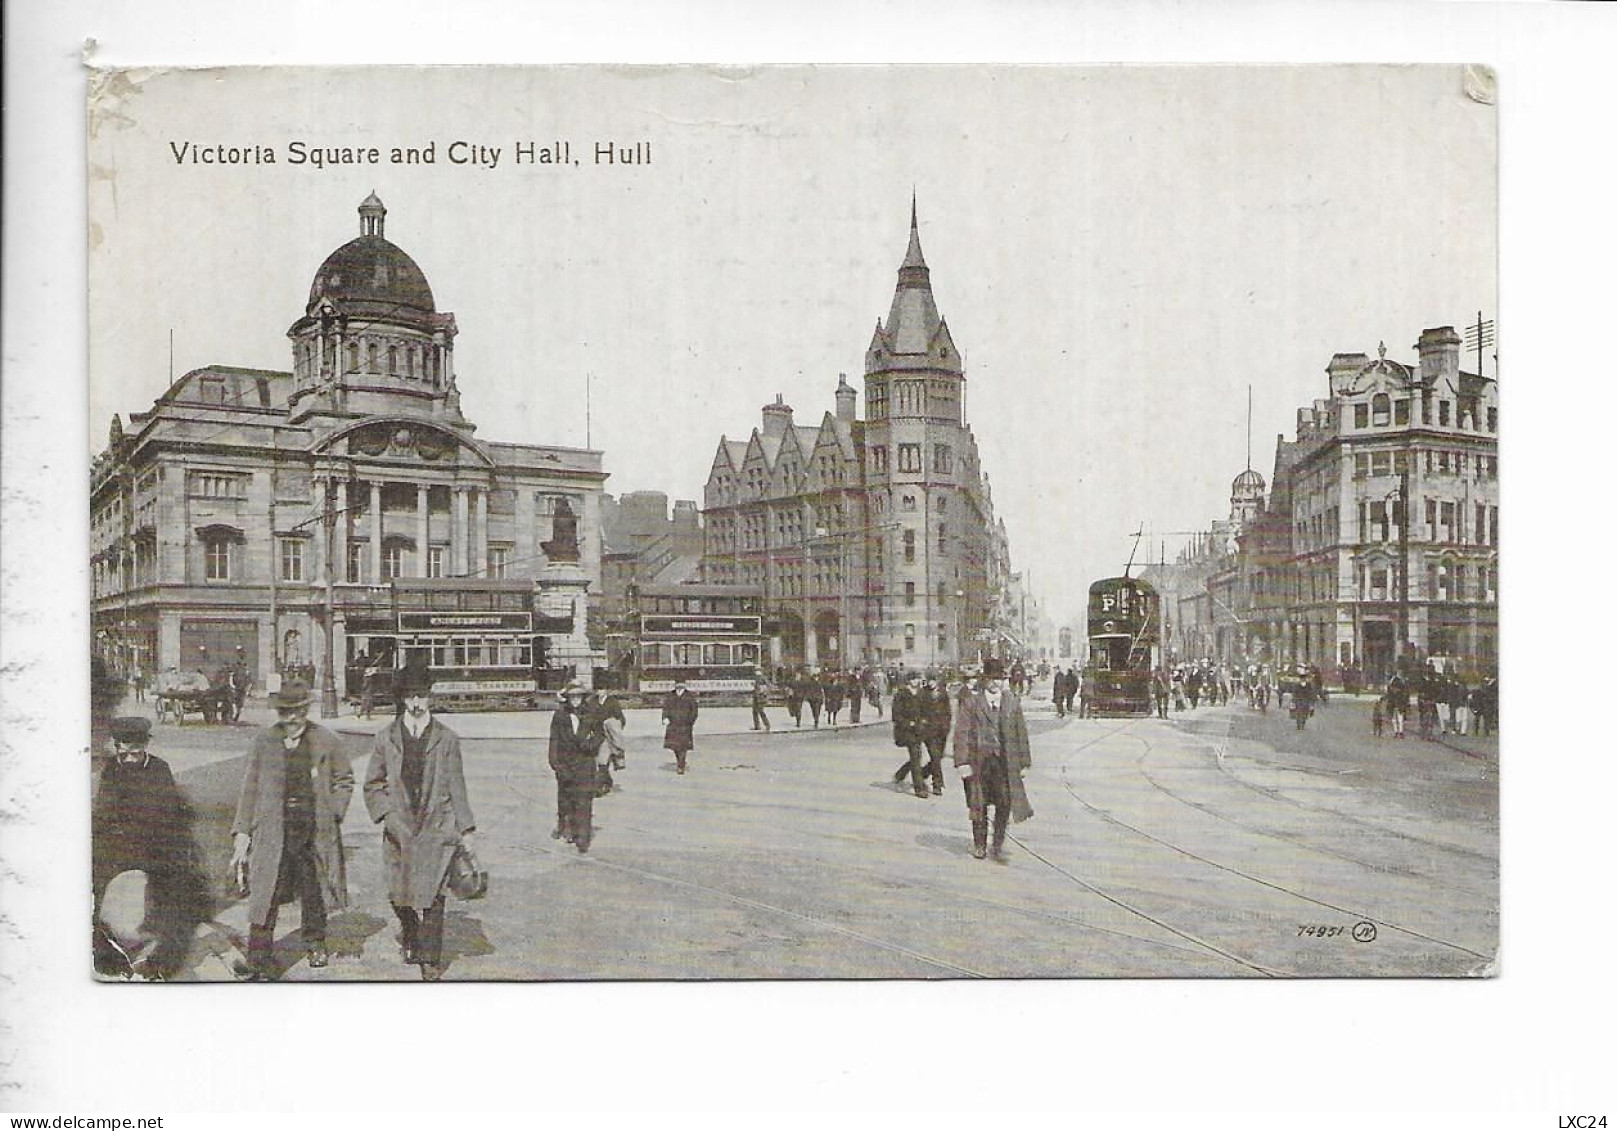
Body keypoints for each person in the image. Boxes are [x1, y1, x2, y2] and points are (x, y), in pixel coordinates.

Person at [229, 679, 354, 981]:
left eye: (297, 712)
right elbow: (250, 789)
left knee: (313, 891)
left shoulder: (325, 740)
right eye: (285, 713)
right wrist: (242, 834)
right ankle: (258, 954)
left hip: (312, 829)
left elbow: (344, 779)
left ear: (306, 710)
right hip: (273, 829)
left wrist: (333, 812)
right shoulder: (264, 742)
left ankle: (315, 942)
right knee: (265, 891)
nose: (291, 719)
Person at [364, 667, 477, 981]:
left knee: (434, 894)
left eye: (422, 695)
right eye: (410, 696)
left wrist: (466, 829)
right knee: (398, 893)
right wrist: (386, 815)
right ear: (402, 698)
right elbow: (372, 784)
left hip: (436, 826)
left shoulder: (447, 739)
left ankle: (430, 957)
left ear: (430, 696)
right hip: (399, 827)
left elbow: (457, 784)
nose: (416, 702)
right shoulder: (385, 738)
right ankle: (410, 930)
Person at [93, 717, 209, 979]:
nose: (132, 758)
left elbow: (170, 814)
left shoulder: (159, 769)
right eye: (125, 751)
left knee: (174, 895)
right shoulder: (111, 769)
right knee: (96, 894)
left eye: (137, 751)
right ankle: (108, 955)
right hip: (119, 847)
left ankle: (162, 961)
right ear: (117, 746)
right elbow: (103, 814)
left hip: (155, 847)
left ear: (145, 745)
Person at [953, 659, 1034, 862]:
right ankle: (980, 844)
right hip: (978, 763)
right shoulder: (971, 703)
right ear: (984, 680)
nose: (995, 683)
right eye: (991, 679)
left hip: (1004, 763)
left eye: (998, 679)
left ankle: (997, 844)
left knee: (1005, 803)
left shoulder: (1012, 703)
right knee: (978, 803)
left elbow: (1021, 733)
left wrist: (1024, 762)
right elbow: (961, 733)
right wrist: (962, 762)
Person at [549, 682, 601, 849]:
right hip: (566, 766)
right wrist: (556, 764)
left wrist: (591, 745)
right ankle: (571, 830)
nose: (576, 700)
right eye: (573, 697)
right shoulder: (560, 716)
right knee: (568, 802)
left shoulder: (592, 713)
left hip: (585, 765)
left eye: (579, 696)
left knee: (584, 802)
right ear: (568, 698)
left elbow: (600, 735)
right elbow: (554, 741)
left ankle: (583, 839)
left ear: (584, 698)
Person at [890, 671, 929, 798]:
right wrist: (909, 723)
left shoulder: (921, 694)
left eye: (918, 679)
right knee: (916, 757)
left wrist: (924, 720)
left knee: (916, 757)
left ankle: (900, 774)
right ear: (909, 681)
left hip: (918, 730)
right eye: (914, 679)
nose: (916, 682)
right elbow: (896, 715)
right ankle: (919, 788)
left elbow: (925, 710)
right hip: (905, 731)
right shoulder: (901, 695)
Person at [920, 670, 953, 795]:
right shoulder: (923, 693)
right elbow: (919, 709)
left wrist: (947, 726)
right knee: (935, 756)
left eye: (933, 680)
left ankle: (923, 773)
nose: (931, 683)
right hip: (928, 731)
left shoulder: (943, 693)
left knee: (938, 757)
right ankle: (937, 784)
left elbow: (948, 711)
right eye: (929, 681)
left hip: (942, 730)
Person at [662, 679, 699, 774]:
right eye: (677, 684)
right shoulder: (670, 695)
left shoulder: (690, 696)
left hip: (684, 725)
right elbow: (665, 708)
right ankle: (680, 760)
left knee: (683, 747)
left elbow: (694, 710)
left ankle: (681, 766)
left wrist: (690, 722)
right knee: (674, 746)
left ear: (684, 685)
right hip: (673, 725)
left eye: (681, 684)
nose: (679, 686)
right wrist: (665, 718)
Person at [1386, 672, 1409, 739]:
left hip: (1397, 702)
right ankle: (1398, 732)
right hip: (1396, 702)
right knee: (1397, 718)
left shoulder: (1398, 683)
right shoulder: (1401, 683)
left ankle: (1398, 732)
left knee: (1397, 718)